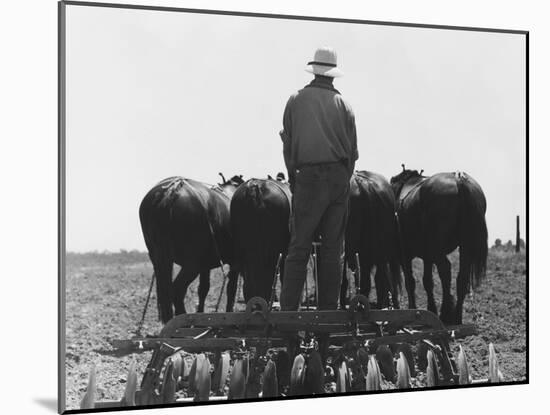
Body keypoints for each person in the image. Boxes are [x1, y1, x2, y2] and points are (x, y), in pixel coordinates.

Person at [279, 46, 358, 311]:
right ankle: (329, 312)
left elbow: (288, 146)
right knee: (333, 251)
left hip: (308, 177)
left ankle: (289, 312)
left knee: (299, 247)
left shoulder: (295, 100)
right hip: (337, 178)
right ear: (333, 74)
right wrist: (340, 182)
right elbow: (352, 154)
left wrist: (294, 179)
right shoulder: (344, 105)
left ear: (313, 70)